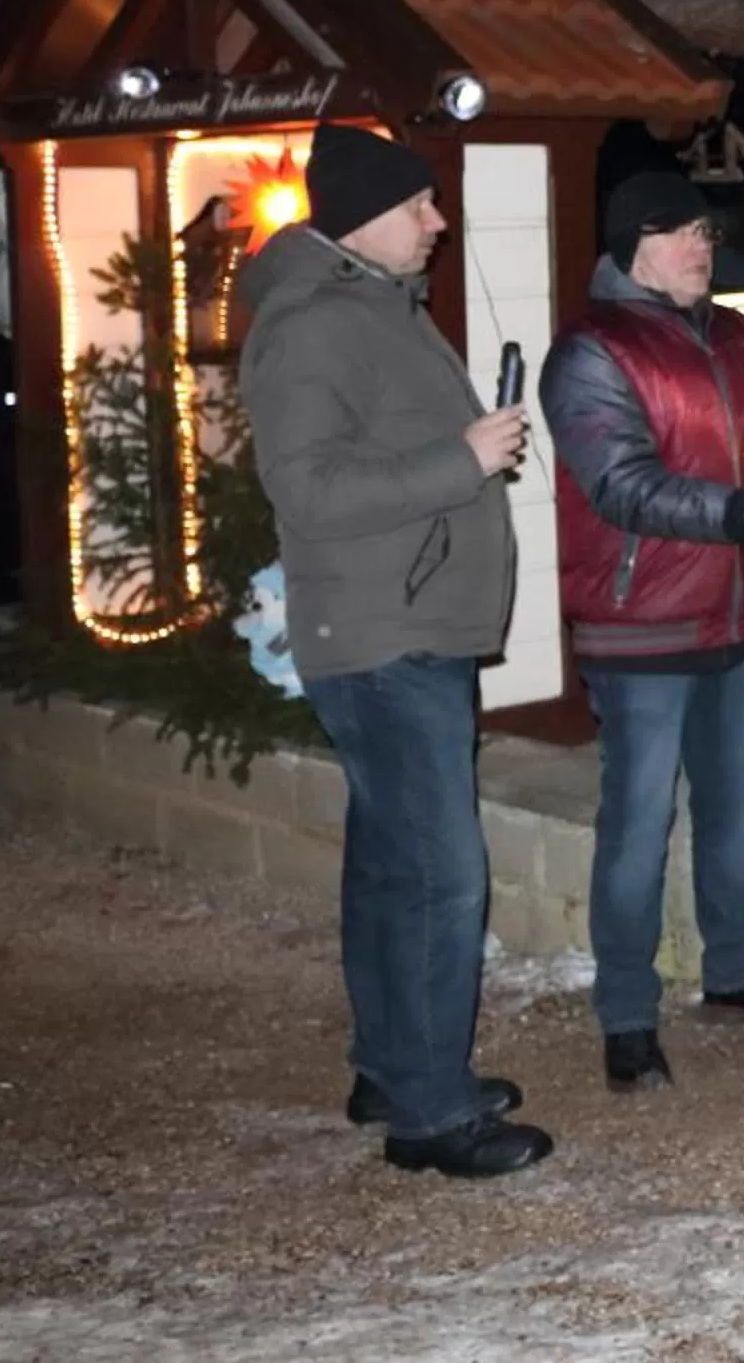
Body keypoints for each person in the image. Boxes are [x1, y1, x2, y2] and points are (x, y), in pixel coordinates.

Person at [238, 123, 548, 1177]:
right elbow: (308, 490)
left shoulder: (378, 305)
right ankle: (431, 1116)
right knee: (438, 875)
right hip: (383, 638)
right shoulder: (315, 323)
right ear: (362, 216)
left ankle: (394, 1067)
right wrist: (461, 457)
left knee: (388, 864)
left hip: (408, 627)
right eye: (418, 204)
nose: (437, 220)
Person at [542, 172, 744, 1093]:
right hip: (641, 626)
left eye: (706, 232)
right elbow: (623, 486)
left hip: (738, 613)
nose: (701, 247)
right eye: (679, 233)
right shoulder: (592, 350)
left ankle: (736, 969)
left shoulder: (742, 336)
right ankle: (628, 1015)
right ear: (631, 245)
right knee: (638, 823)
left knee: (734, 808)